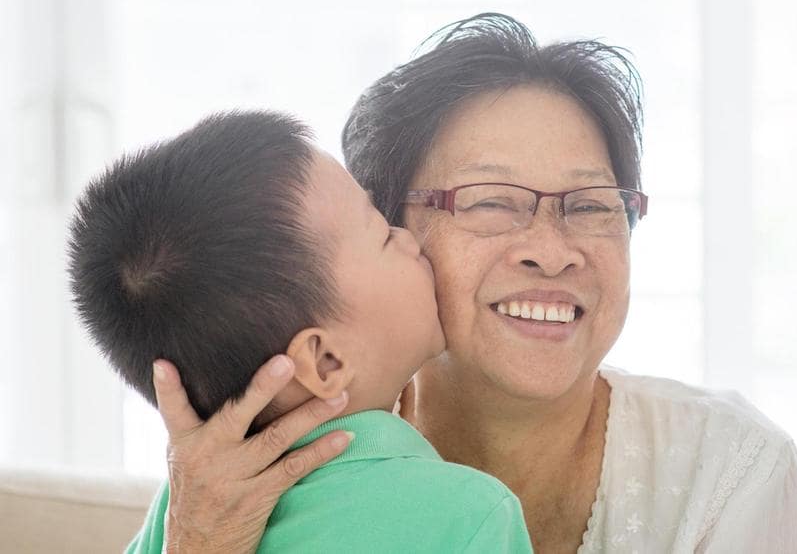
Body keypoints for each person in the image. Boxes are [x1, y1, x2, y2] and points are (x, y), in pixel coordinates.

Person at [132, 14, 797, 552]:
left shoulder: (733, 469)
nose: (551, 253)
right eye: (490, 201)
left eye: (591, 205)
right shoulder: (233, 483)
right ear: (391, 224)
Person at [67, 110, 533, 553]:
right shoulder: (469, 515)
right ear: (324, 362)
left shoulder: (183, 511)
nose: (410, 239)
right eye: (383, 236)